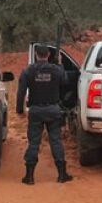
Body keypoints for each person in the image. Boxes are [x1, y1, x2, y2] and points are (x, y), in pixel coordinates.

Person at [16, 45, 73, 185]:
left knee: (34, 142)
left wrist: (19, 110)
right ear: (48, 55)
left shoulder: (28, 71)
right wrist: (59, 64)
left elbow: (21, 92)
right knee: (56, 141)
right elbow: (65, 81)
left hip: (35, 111)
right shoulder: (56, 69)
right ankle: (62, 174)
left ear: (36, 54)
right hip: (53, 110)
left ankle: (29, 177)